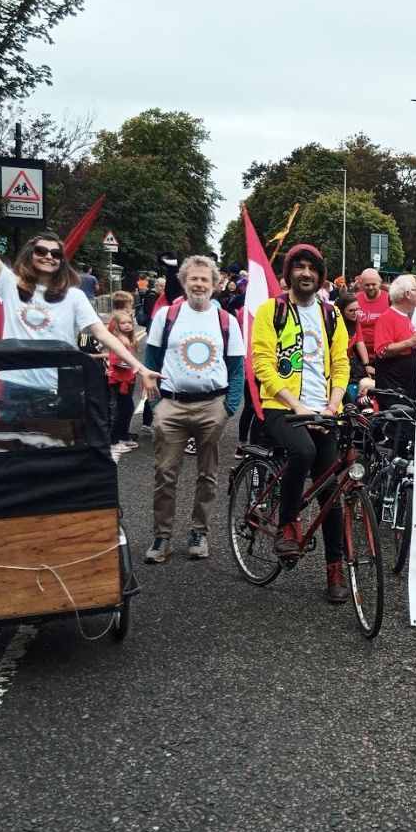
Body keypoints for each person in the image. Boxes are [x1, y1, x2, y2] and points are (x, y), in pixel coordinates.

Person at [251, 244, 350, 603]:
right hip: (281, 405)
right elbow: (262, 363)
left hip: (324, 409)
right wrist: (299, 408)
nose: (306, 273)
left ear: (321, 276)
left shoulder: (331, 314)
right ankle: (287, 525)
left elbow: (341, 363)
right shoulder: (271, 311)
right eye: (299, 267)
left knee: (332, 493)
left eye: (312, 268)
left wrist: (332, 406)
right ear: (289, 272)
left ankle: (335, 570)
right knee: (303, 451)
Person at [143, 256, 244, 563]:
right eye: (194, 279)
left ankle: (199, 532)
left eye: (205, 280)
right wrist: (156, 404)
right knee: (165, 474)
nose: (199, 284)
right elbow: (150, 360)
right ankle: (162, 538)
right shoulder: (167, 315)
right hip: (171, 404)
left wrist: (228, 407)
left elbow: (237, 368)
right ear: (184, 282)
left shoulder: (226, 320)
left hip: (212, 405)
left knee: (208, 475)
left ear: (215, 285)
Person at [0, 234, 158, 419]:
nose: (48, 256)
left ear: (62, 261)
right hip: (15, 385)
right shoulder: (9, 284)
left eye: (56, 254)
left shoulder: (74, 296)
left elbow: (103, 335)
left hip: (59, 387)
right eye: (41, 251)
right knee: (12, 445)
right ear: (29, 255)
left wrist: (141, 368)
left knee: (58, 446)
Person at [373, 274, 416, 406]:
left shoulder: (404, 316)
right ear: (408, 294)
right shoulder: (387, 317)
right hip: (394, 388)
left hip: (405, 386)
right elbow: (382, 350)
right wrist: (411, 342)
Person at [107, 310, 141, 455]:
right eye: (123, 323)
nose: (128, 325)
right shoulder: (118, 340)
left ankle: (122, 436)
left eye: (129, 322)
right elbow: (116, 361)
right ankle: (113, 441)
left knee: (126, 409)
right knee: (121, 410)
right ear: (116, 325)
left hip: (127, 379)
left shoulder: (126, 339)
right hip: (119, 380)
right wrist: (136, 367)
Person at [335, 291, 374, 400]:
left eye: (357, 309)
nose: (355, 313)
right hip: (338, 362)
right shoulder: (335, 323)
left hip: (350, 362)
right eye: (351, 311)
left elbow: (360, 342)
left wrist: (366, 365)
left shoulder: (355, 320)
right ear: (342, 311)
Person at [355, 268, 389, 361]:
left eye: (373, 284)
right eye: (367, 285)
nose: (370, 287)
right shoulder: (355, 299)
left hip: (384, 355)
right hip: (358, 354)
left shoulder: (390, 300)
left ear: (380, 282)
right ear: (361, 284)